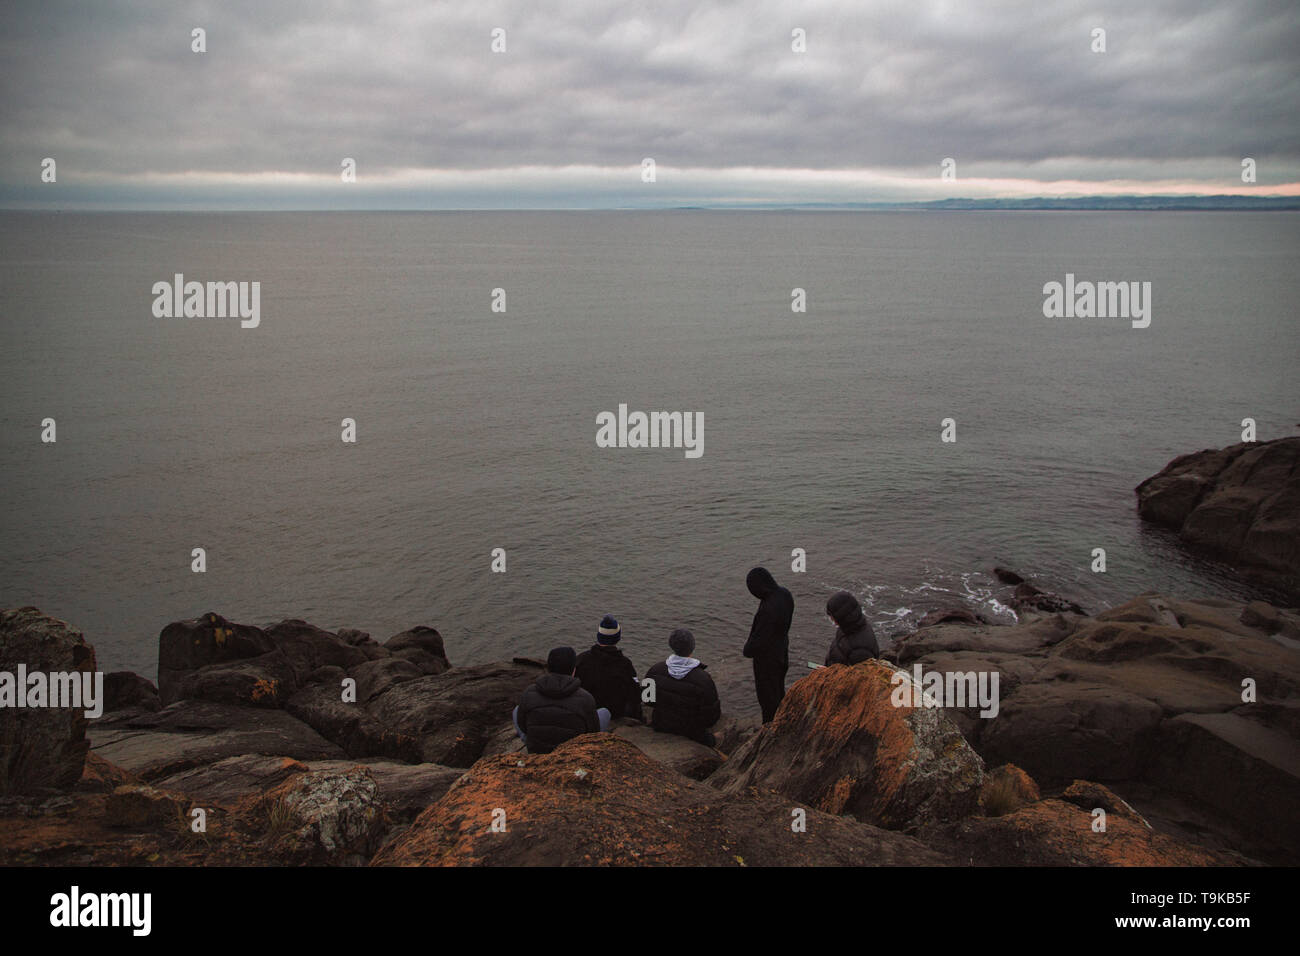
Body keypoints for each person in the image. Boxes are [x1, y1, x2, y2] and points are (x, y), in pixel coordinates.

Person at [513, 646, 608, 754]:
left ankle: (529, 742)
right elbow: (592, 731)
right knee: (605, 712)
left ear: (548, 668)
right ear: (574, 670)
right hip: (571, 753)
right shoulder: (585, 698)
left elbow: (522, 725)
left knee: (516, 710)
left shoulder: (529, 692)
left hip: (537, 749)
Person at [643, 628, 721, 746]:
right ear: (692, 647)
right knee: (717, 738)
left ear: (671, 645)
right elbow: (711, 717)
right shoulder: (704, 679)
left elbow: (646, 699)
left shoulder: (654, 670)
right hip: (693, 732)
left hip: (662, 725)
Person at [742, 566, 793, 723]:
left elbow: (756, 644)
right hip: (782, 651)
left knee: (768, 700)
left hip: (767, 661)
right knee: (779, 691)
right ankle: (782, 721)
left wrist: (746, 649)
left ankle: (770, 730)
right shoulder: (785, 594)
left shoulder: (768, 609)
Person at [575, 614, 643, 720]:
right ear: (618, 638)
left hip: (586, 710)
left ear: (599, 636)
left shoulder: (581, 659)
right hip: (615, 712)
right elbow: (635, 694)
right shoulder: (625, 664)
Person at [823, 590, 879, 665]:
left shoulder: (860, 652)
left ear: (842, 618)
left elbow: (859, 676)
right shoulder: (848, 628)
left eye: (833, 616)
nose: (831, 619)